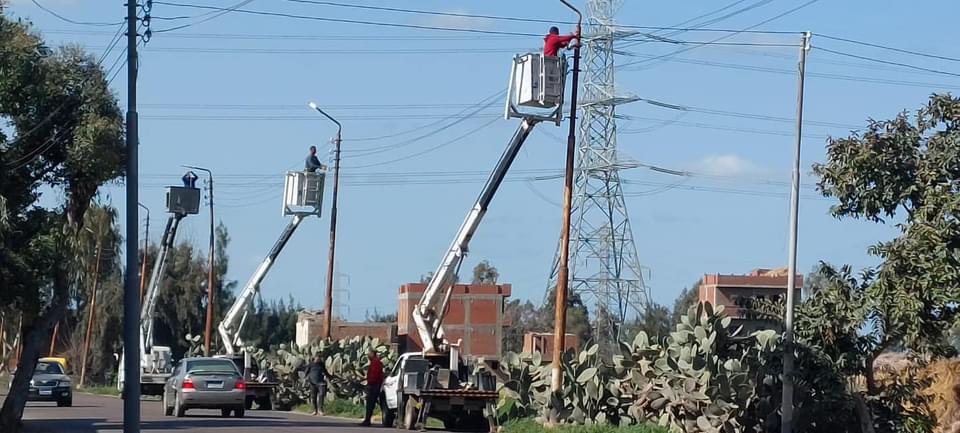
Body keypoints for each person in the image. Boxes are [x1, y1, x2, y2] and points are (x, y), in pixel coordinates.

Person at [359, 349, 386, 427]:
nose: (368, 355)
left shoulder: (375, 363)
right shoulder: (375, 362)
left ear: (373, 354)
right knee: (371, 404)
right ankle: (367, 420)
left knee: (370, 404)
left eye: (369, 354)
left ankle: (367, 420)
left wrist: (370, 383)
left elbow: (374, 375)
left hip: (374, 385)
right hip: (375, 385)